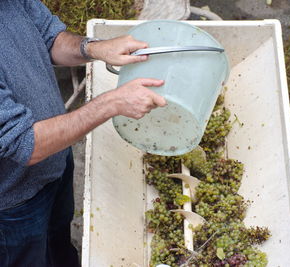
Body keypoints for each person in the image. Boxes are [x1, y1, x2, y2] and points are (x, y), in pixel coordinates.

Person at [0, 0, 166, 266]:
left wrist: (95, 48)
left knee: (60, 245)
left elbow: (47, 35)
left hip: (56, 161)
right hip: (14, 203)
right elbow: (25, 143)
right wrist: (113, 102)